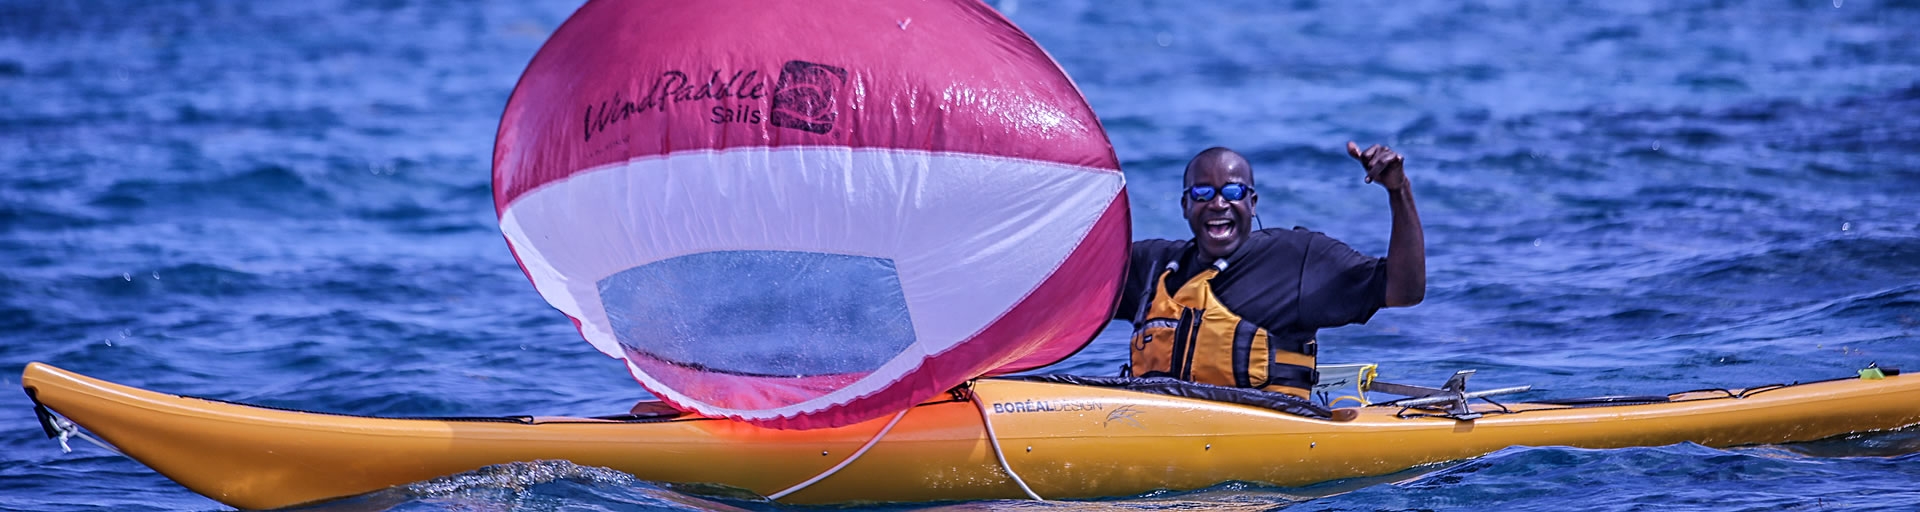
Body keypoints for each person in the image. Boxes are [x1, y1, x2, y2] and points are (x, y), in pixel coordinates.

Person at [1115, 143, 1425, 398]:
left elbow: (1404, 291)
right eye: (1203, 193)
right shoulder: (1153, 265)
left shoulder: (1297, 258)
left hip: (1267, 436)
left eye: (1233, 192)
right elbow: (1071, 282)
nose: (1219, 203)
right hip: (1156, 429)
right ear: (1185, 205)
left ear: (1252, 203)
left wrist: (1399, 191)